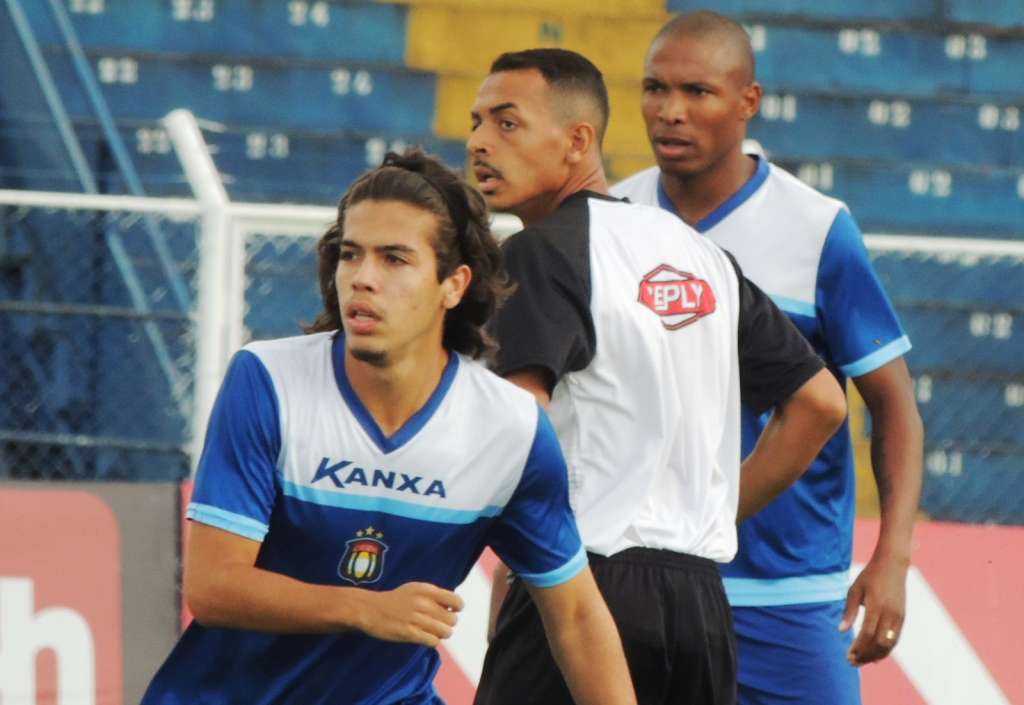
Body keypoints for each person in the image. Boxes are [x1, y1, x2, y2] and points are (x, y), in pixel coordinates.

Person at [140, 151, 638, 705]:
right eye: (351, 255)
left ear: (453, 284)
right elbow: (214, 588)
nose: (362, 279)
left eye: (394, 259)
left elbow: (575, 613)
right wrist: (366, 608)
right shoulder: (268, 381)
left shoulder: (511, 428)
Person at [467, 49, 848, 705]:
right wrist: (714, 509)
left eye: (506, 123)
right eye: (475, 122)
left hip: (582, 584)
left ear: (578, 140)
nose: (477, 142)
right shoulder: (701, 254)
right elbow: (820, 402)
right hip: (700, 604)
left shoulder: (540, 251)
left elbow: (518, 426)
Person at [611, 11, 924, 705]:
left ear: (748, 102)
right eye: (655, 89)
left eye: (698, 92)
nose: (670, 112)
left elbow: (895, 404)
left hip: (786, 593)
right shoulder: (612, 218)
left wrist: (893, 556)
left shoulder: (817, 229)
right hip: (641, 579)